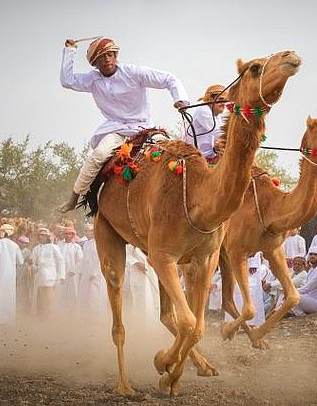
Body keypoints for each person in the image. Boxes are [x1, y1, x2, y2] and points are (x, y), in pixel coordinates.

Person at [57, 36, 190, 213]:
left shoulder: (134, 72)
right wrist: (70, 52)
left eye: (111, 54)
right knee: (99, 154)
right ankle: (74, 197)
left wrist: (180, 99)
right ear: (94, 63)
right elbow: (67, 81)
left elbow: (169, 79)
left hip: (144, 128)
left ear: (116, 55)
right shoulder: (93, 79)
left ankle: (186, 191)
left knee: (171, 151)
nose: (107, 59)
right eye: (102, 57)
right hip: (116, 130)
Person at [0, 224, 24, 325]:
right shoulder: (15, 245)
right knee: (9, 295)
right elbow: (21, 261)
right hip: (10, 275)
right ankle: (8, 320)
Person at [184, 84, 228, 163]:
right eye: (221, 99)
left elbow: (221, 138)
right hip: (195, 158)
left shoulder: (218, 117)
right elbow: (219, 133)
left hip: (211, 158)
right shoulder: (203, 110)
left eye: (225, 101)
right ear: (211, 99)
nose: (223, 104)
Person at [77, 224, 109, 321]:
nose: (87, 233)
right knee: (85, 295)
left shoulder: (101, 243)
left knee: (96, 296)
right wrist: (80, 270)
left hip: (97, 274)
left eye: (90, 231)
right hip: (86, 272)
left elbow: (102, 259)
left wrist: (95, 272)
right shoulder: (86, 244)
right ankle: (86, 316)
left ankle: (97, 318)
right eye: (86, 231)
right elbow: (84, 259)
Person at [29, 228, 64, 317]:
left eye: (43, 235)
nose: (41, 237)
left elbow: (60, 261)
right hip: (40, 276)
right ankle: (44, 317)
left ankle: (51, 316)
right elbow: (32, 263)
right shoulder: (36, 249)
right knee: (42, 298)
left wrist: (61, 276)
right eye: (40, 235)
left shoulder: (54, 247)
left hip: (50, 276)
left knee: (49, 297)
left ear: (47, 237)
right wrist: (34, 267)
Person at [123, 245, 160, 323]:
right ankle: (140, 325)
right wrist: (136, 263)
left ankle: (153, 324)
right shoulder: (132, 243)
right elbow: (126, 254)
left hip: (151, 274)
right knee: (139, 302)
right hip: (138, 276)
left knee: (153, 301)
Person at [228, 253, 266, 326]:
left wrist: (253, 263)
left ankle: (251, 323)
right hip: (235, 259)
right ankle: (235, 321)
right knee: (236, 292)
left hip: (249, 262)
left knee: (251, 293)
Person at [290, 248, 317, 316]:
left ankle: (301, 315)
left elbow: (307, 288)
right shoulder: (312, 269)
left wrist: (292, 292)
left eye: (315, 254)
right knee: (290, 295)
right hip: (310, 299)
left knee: (291, 296)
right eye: (311, 254)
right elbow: (306, 287)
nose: (312, 256)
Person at [56, 226, 83, 313]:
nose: (68, 235)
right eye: (66, 234)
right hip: (60, 273)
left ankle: (72, 312)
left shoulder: (77, 247)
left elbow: (80, 261)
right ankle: (60, 312)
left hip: (72, 274)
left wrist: (74, 270)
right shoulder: (58, 245)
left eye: (70, 234)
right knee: (60, 292)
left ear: (73, 235)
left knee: (73, 293)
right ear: (64, 235)